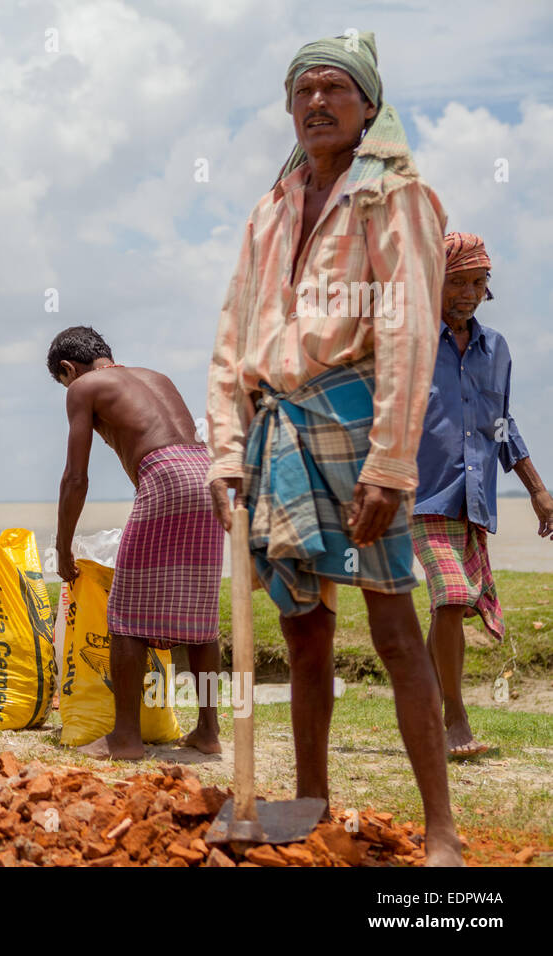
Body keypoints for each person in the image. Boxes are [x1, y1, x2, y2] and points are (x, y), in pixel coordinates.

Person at [204, 32, 463, 864]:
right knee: (303, 626)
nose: (317, 103)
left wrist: (391, 462)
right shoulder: (271, 207)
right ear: (289, 107)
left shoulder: (396, 196)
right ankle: (311, 798)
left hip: (357, 421)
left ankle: (443, 832)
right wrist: (224, 449)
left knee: (394, 625)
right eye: (303, 91)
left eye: (334, 90)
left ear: (368, 105)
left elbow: (409, 331)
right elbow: (232, 330)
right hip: (276, 425)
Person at [48, 326, 224, 759]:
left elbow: (76, 477)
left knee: (125, 613)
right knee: (201, 612)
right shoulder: (156, 376)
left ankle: (125, 737)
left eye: (64, 380)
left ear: (69, 369)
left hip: (163, 478)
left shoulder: (84, 387)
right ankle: (208, 731)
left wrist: (63, 544)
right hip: (208, 477)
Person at [412, 231, 553, 758]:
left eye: (478, 282)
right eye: (457, 282)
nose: (469, 292)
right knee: (450, 595)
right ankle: (455, 717)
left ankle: (425, 708)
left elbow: (501, 425)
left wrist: (538, 490)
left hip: (473, 500)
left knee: (449, 608)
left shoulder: (497, 350)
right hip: (422, 497)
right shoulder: (412, 347)